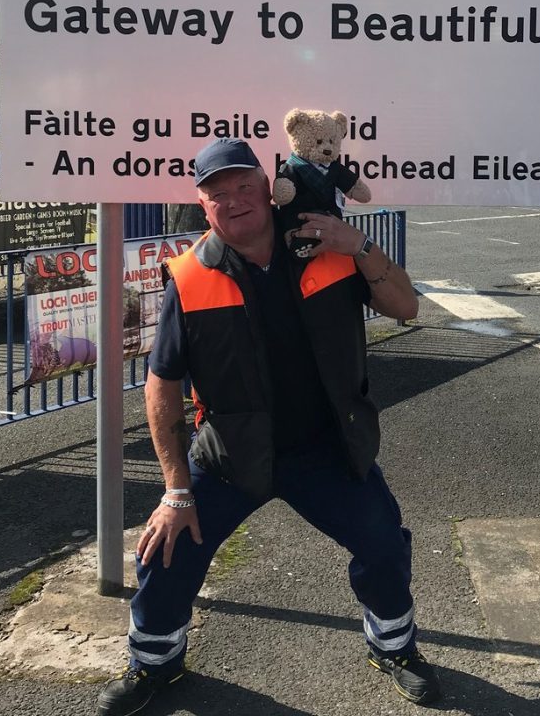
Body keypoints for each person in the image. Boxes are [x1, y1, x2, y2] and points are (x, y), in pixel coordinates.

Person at [97, 138, 440, 716]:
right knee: (166, 547)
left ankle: (394, 648)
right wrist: (176, 491)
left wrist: (359, 245)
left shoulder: (325, 243)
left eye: (242, 186)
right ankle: (155, 662)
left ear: (268, 187)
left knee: (383, 542)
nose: (233, 200)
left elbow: (406, 307)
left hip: (325, 448)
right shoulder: (189, 276)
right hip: (229, 454)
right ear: (203, 207)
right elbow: (162, 386)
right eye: (217, 194)